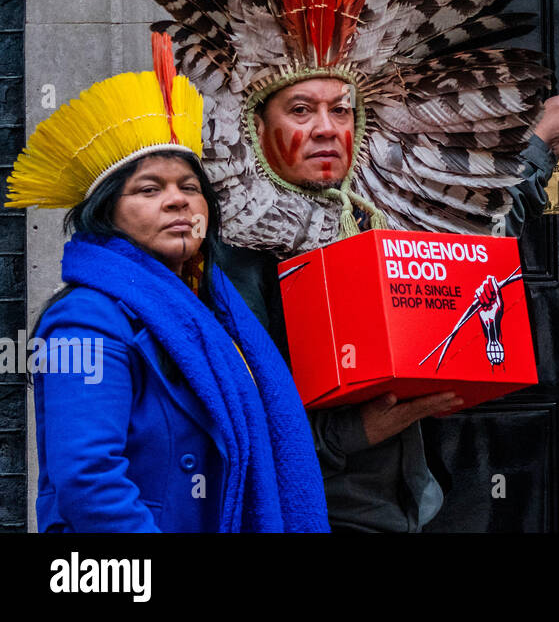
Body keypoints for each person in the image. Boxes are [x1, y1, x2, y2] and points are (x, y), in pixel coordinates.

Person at [137, 0, 559, 532]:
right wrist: (363, 431)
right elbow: (229, 434)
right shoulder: (221, 254)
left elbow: (462, 253)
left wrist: (532, 149)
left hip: (414, 496)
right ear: (255, 128)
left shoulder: (374, 209)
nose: (327, 128)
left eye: (341, 109)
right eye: (301, 110)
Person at [9, 34, 328, 532]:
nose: (178, 201)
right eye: (149, 189)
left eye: (190, 188)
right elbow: (89, 479)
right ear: (108, 215)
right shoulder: (86, 320)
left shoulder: (218, 313)